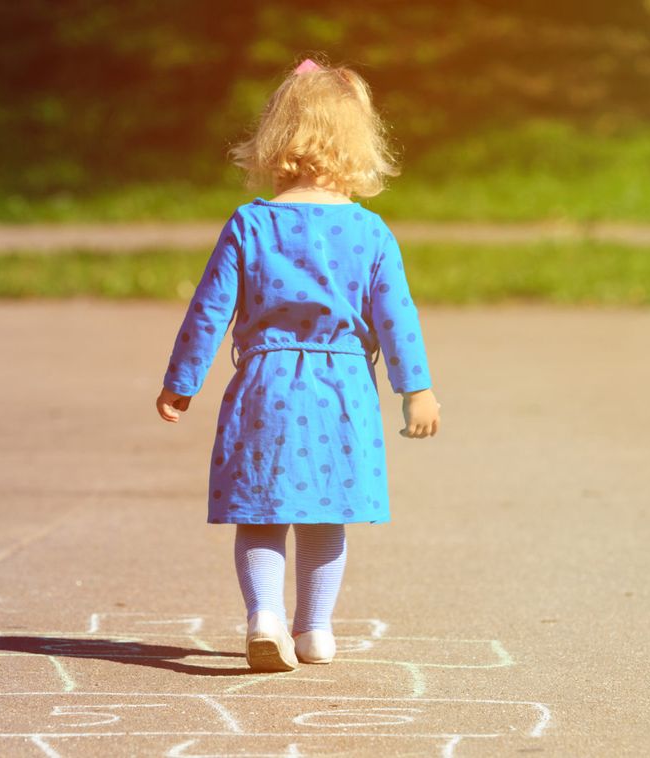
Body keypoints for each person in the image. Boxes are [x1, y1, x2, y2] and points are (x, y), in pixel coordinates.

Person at [155, 56, 441, 672]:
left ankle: (263, 617)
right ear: (360, 145)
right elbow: (397, 318)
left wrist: (182, 383)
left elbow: (209, 311)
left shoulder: (250, 225)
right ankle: (313, 629)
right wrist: (415, 388)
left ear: (275, 140)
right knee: (324, 512)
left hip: (266, 384)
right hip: (341, 389)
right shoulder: (369, 233)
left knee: (263, 510)